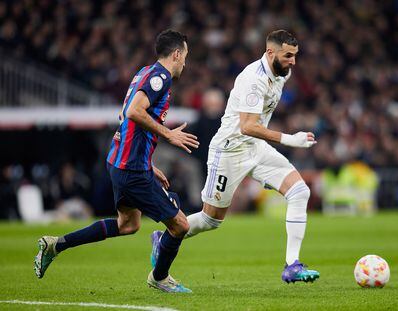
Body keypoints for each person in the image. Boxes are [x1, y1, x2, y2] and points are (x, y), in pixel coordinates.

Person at [34, 29, 199, 293]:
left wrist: (149, 164)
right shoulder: (160, 78)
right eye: (185, 57)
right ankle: (159, 278)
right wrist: (168, 134)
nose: (185, 64)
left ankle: (56, 244)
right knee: (180, 225)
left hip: (122, 163)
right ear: (177, 54)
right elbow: (134, 112)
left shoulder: (143, 73)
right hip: (131, 169)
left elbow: (125, 119)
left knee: (128, 224)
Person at [151, 30, 320, 283]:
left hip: (256, 147)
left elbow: (255, 129)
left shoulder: (283, 72)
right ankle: (162, 238)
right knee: (211, 220)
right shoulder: (254, 78)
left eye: (295, 56)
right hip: (229, 150)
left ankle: (292, 265)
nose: (293, 62)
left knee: (300, 192)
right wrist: (290, 139)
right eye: (288, 56)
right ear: (270, 52)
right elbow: (247, 126)